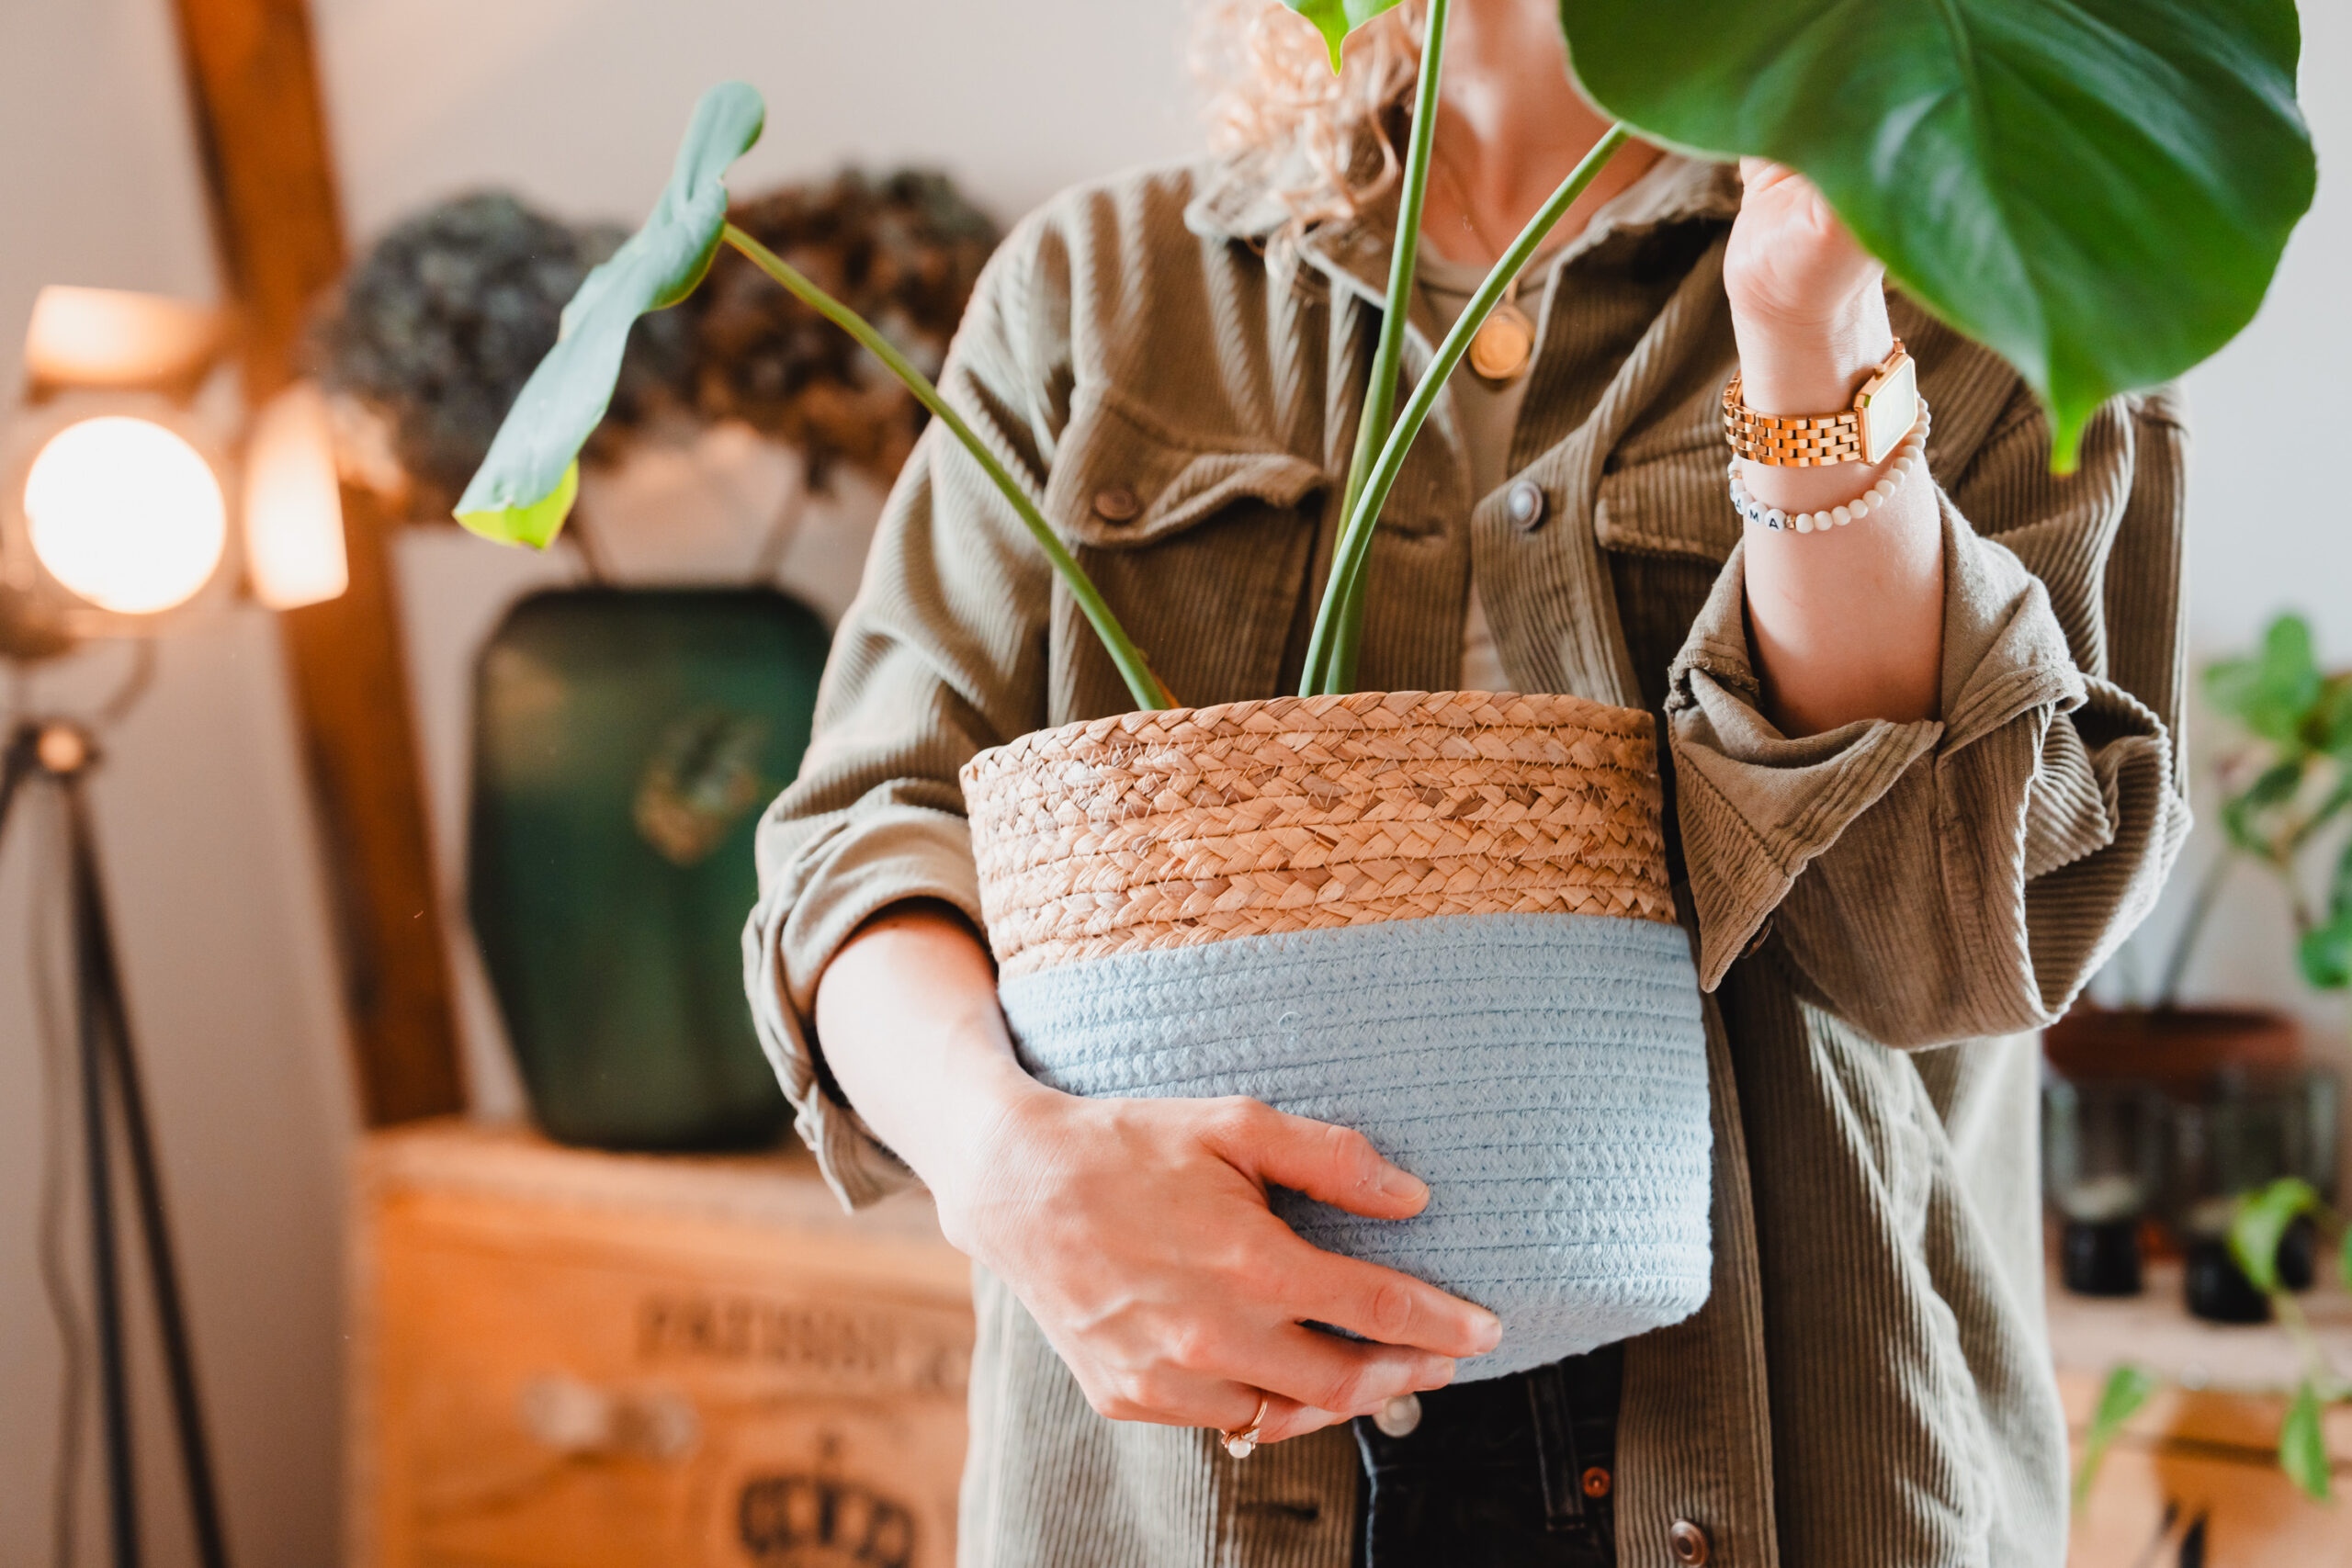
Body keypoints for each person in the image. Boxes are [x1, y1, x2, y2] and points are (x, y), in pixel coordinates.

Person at [745, 1, 2188, 1562]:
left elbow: (1939, 950)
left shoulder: (1986, 284)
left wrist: (1811, 340)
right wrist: (1004, 1165)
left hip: (1783, 1480)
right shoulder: (1103, 290)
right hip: (1191, 1493)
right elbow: (867, 841)